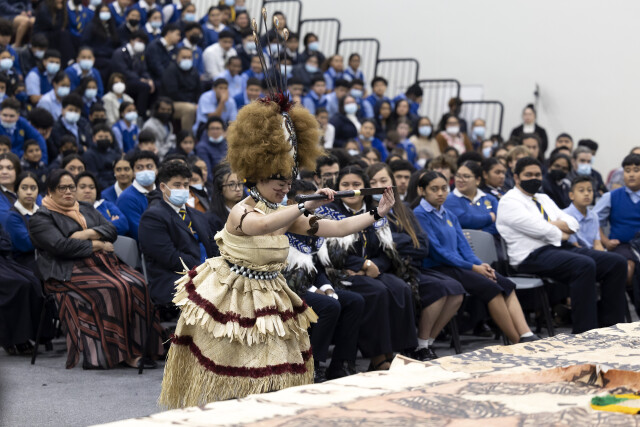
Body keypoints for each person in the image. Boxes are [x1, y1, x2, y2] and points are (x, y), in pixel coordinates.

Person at [158, 80, 397, 408]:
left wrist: (376, 213)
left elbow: (339, 228)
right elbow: (263, 225)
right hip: (233, 293)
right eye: (278, 182)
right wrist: (306, 204)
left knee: (274, 365)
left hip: (271, 291)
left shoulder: (283, 211)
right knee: (234, 366)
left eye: (287, 183)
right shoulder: (242, 211)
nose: (284, 188)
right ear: (257, 178)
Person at [29, 169, 163, 369]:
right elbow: (62, 247)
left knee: (138, 283)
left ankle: (147, 348)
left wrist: (84, 234)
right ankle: (120, 354)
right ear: (50, 191)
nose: (68, 192)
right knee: (114, 288)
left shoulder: (85, 207)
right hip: (66, 272)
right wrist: (98, 244)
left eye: (71, 187)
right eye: (62, 188)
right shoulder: (40, 218)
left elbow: (111, 230)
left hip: (102, 264)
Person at [496, 157, 628, 334]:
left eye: (537, 174)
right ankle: (585, 332)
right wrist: (560, 231)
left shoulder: (543, 198)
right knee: (584, 265)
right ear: (516, 177)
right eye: (528, 175)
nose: (534, 178)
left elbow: (572, 223)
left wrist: (556, 227)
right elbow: (540, 228)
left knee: (616, 262)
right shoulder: (509, 201)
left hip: (558, 249)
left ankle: (611, 327)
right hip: (530, 256)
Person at [413, 171, 536, 344]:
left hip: (459, 265)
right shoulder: (419, 214)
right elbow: (438, 251)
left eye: (444, 188)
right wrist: (472, 267)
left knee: (504, 282)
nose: (440, 193)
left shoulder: (449, 214)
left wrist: (481, 265)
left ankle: (526, 334)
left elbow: (464, 247)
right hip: (438, 267)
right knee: (492, 288)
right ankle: (516, 341)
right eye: (434, 189)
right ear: (422, 191)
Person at [320, 165, 420, 369]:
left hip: (373, 271)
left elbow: (387, 250)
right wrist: (363, 264)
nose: (350, 189)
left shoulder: (375, 210)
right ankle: (378, 358)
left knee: (400, 288)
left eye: (356, 184)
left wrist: (374, 266)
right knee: (377, 292)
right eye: (345, 184)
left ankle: (398, 352)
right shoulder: (329, 212)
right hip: (340, 272)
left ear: (365, 187)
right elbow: (328, 253)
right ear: (337, 188)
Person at [368, 164, 464, 359]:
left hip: (412, 265)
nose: (379, 185)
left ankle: (426, 342)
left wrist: (398, 243)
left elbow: (422, 245)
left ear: (392, 183)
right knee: (438, 290)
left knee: (456, 291)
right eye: (373, 182)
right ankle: (417, 346)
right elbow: (380, 245)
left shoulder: (403, 208)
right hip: (390, 269)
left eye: (383, 180)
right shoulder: (368, 211)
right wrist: (405, 241)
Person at [283, 180, 365, 379]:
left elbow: (316, 266)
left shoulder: (313, 225)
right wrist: (314, 291)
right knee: (329, 306)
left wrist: (327, 288)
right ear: (292, 201)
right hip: (286, 288)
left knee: (354, 301)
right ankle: (313, 366)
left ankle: (341, 363)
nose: (314, 205)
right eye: (309, 199)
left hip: (309, 284)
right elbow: (284, 273)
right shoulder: (282, 226)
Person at [139, 161, 216, 305]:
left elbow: (213, 248)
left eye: (186, 185)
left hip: (208, 275)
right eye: (177, 185)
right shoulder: (153, 218)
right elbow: (171, 258)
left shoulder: (199, 216)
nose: (183, 189)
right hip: (175, 280)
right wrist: (205, 270)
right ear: (163, 187)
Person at [594, 153, 640, 311]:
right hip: (622, 245)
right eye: (627, 170)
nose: (631, 174)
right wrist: (605, 241)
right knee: (627, 270)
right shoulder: (611, 196)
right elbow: (593, 220)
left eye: (636, 170)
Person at [0, 218, 44, 356]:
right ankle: (10, 339)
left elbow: (6, 243)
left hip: (4, 262)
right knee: (16, 285)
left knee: (32, 281)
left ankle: (27, 336)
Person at [444, 160, 499, 235]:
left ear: (478, 180)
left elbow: (499, 222)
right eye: (458, 176)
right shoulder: (448, 199)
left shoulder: (490, 199)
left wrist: (483, 232)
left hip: (490, 240)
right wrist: (490, 217)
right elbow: (463, 219)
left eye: (466, 176)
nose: (460, 180)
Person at [116, 150, 159, 240]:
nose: (145, 171)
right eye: (140, 168)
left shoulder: (163, 193)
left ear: (157, 170)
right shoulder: (126, 198)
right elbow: (140, 232)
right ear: (133, 172)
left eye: (149, 166)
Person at [110, 30, 154, 115]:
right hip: (123, 81)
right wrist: (139, 79)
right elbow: (123, 71)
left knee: (153, 85)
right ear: (131, 40)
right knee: (144, 87)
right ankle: (141, 114)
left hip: (135, 80)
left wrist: (149, 79)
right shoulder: (120, 52)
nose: (141, 44)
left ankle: (150, 112)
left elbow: (144, 70)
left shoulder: (140, 54)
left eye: (143, 42)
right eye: (139, 41)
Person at [5, 172, 41, 271]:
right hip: (23, 267)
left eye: (33, 188)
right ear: (17, 190)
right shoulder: (12, 216)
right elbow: (27, 244)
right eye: (24, 188)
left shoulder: (42, 211)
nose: (29, 192)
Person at [76, 171, 129, 236]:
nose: (88, 191)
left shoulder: (106, 205)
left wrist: (93, 231)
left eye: (92, 187)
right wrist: (110, 222)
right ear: (74, 189)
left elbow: (124, 225)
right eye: (82, 187)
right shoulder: (72, 209)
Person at [161, 47, 200, 132]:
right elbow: (173, 92)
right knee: (189, 109)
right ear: (177, 58)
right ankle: (187, 136)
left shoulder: (194, 71)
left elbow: (199, 89)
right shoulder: (171, 70)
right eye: (184, 57)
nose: (187, 60)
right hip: (172, 102)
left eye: (189, 57)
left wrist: (198, 103)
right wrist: (191, 103)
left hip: (192, 102)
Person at [0, 99, 48, 163]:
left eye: (12, 116)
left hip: (22, 160)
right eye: (5, 115)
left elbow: (38, 138)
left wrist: (42, 161)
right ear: (0, 113)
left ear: (18, 115)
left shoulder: (22, 122)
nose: (8, 119)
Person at [82, 4, 121, 82]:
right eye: (103, 11)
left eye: (107, 11)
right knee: (109, 65)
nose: (105, 13)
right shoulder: (91, 26)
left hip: (111, 56)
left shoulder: (112, 26)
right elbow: (85, 42)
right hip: (97, 56)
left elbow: (116, 42)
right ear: (98, 13)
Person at [206, 162, 243, 233]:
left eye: (239, 184)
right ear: (220, 189)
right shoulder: (212, 218)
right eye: (231, 184)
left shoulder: (248, 210)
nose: (238, 189)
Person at [82, 124, 122, 190]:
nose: (103, 139)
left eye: (106, 137)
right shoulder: (89, 155)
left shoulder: (115, 154)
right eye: (100, 137)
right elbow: (94, 176)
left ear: (111, 138)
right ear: (94, 138)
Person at [145, 23, 181, 88]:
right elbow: (156, 67)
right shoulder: (154, 46)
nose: (179, 38)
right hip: (155, 79)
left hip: (170, 79)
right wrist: (169, 78)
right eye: (177, 34)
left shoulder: (175, 49)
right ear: (169, 33)